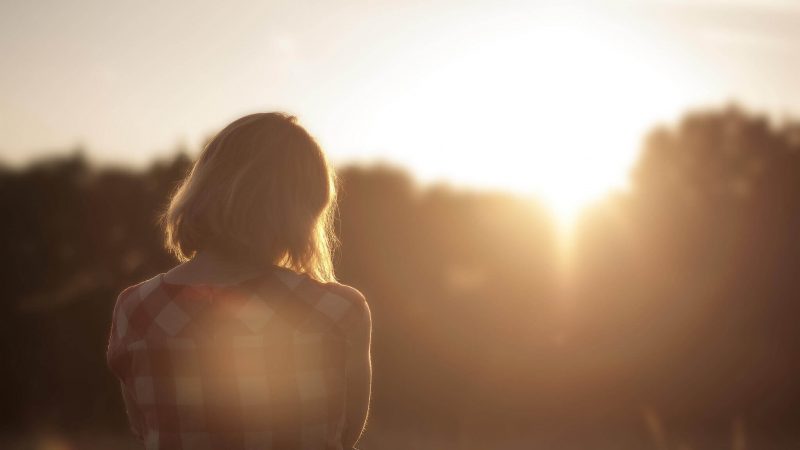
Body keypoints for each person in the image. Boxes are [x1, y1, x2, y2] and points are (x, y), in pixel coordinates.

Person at [106, 113, 372, 450]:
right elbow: (345, 434)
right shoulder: (338, 309)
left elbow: (143, 427)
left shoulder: (137, 309)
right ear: (303, 210)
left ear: (203, 187)